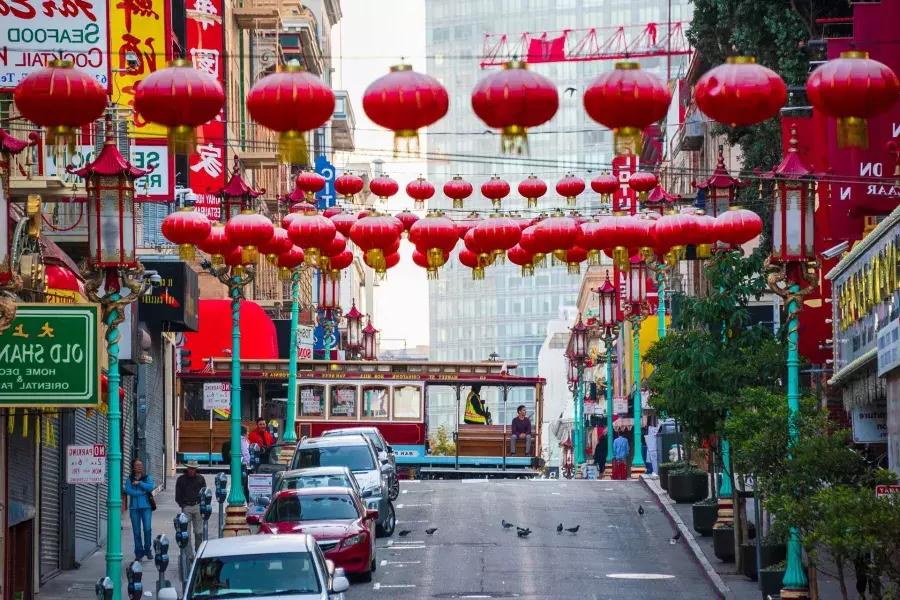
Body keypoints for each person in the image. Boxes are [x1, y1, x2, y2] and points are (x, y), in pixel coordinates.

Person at [124, 458, 155, 561]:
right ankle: (138, 552)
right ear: (133, 467)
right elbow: (128, 490)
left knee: (147, 529)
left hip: (146, 507)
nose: (139, 467)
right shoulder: (129, 479)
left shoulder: (147, 477)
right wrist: (140, 493)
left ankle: (147, 549)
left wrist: (139, 483)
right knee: (136, 531)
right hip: (134, 508)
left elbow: (150, 487)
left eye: (141, 465)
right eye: (137, 465)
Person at [175, 460, 207, 558]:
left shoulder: (201, 479)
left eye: (193, 469)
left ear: (196, 469)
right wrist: (182, 505)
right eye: (190, 468)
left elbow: (204, 492)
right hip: (186, 506)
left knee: (199, 532)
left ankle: (198, 552)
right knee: (186, 534)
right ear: (187, 468)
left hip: (197, 506)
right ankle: (189, 556)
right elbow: (178, 495)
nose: (191, 470)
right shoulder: (181, 479)